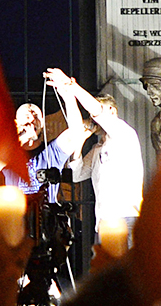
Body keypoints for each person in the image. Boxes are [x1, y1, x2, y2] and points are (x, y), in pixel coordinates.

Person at [44, 68, 144, 235]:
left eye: (94, 114)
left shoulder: (124, 133)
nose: (93, 119)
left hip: (125, 218)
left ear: (112, 111)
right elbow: (77, 175)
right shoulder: (97, 149)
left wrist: (72, 87)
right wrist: (80, 141)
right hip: (104, 223)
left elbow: (98, 112)